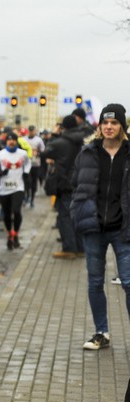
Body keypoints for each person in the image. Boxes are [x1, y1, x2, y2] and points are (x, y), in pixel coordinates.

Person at [71, 104, 130, 351]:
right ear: (99, 126)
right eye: (105, 123)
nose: (108, 127)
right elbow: (76, 186)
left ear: (122, 126)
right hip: (94, 227)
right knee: (95, 281)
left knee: (128, 282)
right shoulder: (87, 152)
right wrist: (79, 212)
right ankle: (101, 332)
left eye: (114, 123)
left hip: (123, 228)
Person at [43, 115, 87, 259]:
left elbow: (46, 152)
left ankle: (69, 249)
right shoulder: (84, 140)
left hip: (65, 184)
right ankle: (80, 248)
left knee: (65, 217)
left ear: (64, 127)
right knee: (78, 217)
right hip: (82, 184)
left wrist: (54, 134)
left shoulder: (61, 142)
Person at [0, 132, 31, 250]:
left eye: (13, 140)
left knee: (16, 211)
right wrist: (0, 173)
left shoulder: (23, 154)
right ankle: (9, 234)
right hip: (4, 188)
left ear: (17, 141)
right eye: (9, 140)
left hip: (18, 187)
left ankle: (15, 233)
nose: (11, 142)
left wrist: (26, 172)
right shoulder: (0, 154)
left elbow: (28, 163)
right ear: (6, 141)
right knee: (6, 214)